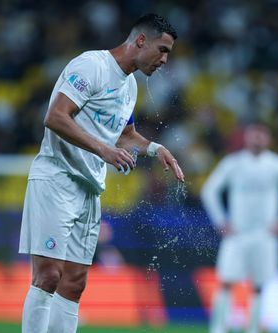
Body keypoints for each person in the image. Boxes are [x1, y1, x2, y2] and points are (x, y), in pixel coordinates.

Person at [18, 13, 184, 333]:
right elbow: (55, 117)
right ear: (140, 41)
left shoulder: (129, 86)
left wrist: (154, 149)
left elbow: (124, 134)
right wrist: (102, 150)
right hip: (57, 177)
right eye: (162, 50)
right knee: (49, 276)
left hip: (89, 188)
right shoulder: (91, 66)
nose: (164, 59)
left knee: (74, 283)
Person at [201, 123, 278, 333]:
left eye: (261, 135)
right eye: (254, 135)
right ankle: (218, 328)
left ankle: (252, 328)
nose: (257, 139)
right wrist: (220, 220)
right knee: (226, 281)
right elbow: (209, 190)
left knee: (260, 285)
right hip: (237, 233)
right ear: (246, 138)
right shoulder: (233, 163)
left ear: (268, 139)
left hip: (265, 234)